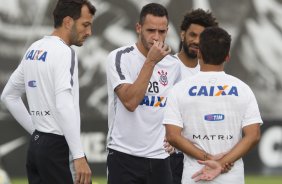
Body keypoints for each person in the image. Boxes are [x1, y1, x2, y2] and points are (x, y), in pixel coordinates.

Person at [1, 0, 96, 184]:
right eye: (85, 25)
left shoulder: (34, 49)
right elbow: (63, 104)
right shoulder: (64, 52)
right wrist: (78, 156)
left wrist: (37, 131)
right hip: (59, 148)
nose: (89, 32)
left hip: (37, 147)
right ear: (68, 22)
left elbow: (8, 96)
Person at [163, 27, 263, 184]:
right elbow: (253, 135)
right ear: (228, 56)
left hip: (195, 176)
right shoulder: (243, 89)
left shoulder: (179, 90)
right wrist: (221, 163)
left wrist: (208, 159)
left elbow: (172, 136)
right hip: (231, 177)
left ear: (199, 53)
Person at [106, 3, 181, 184]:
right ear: (138, 28)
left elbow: (178, 108)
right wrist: (151, 62)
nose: (156, 37)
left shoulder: (173, 64)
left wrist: (175, 136)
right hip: (124, 155)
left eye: (162, 31)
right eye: (151, 30)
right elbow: (131, 102)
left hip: (160, 157)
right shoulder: (119, 57)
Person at [170, 9, 218, 184]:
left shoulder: (213, 74)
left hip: (202, 158)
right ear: (182, 34)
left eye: (202, 37)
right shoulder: (165, 67)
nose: (197, 41)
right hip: (170, 157)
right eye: (192, 34)